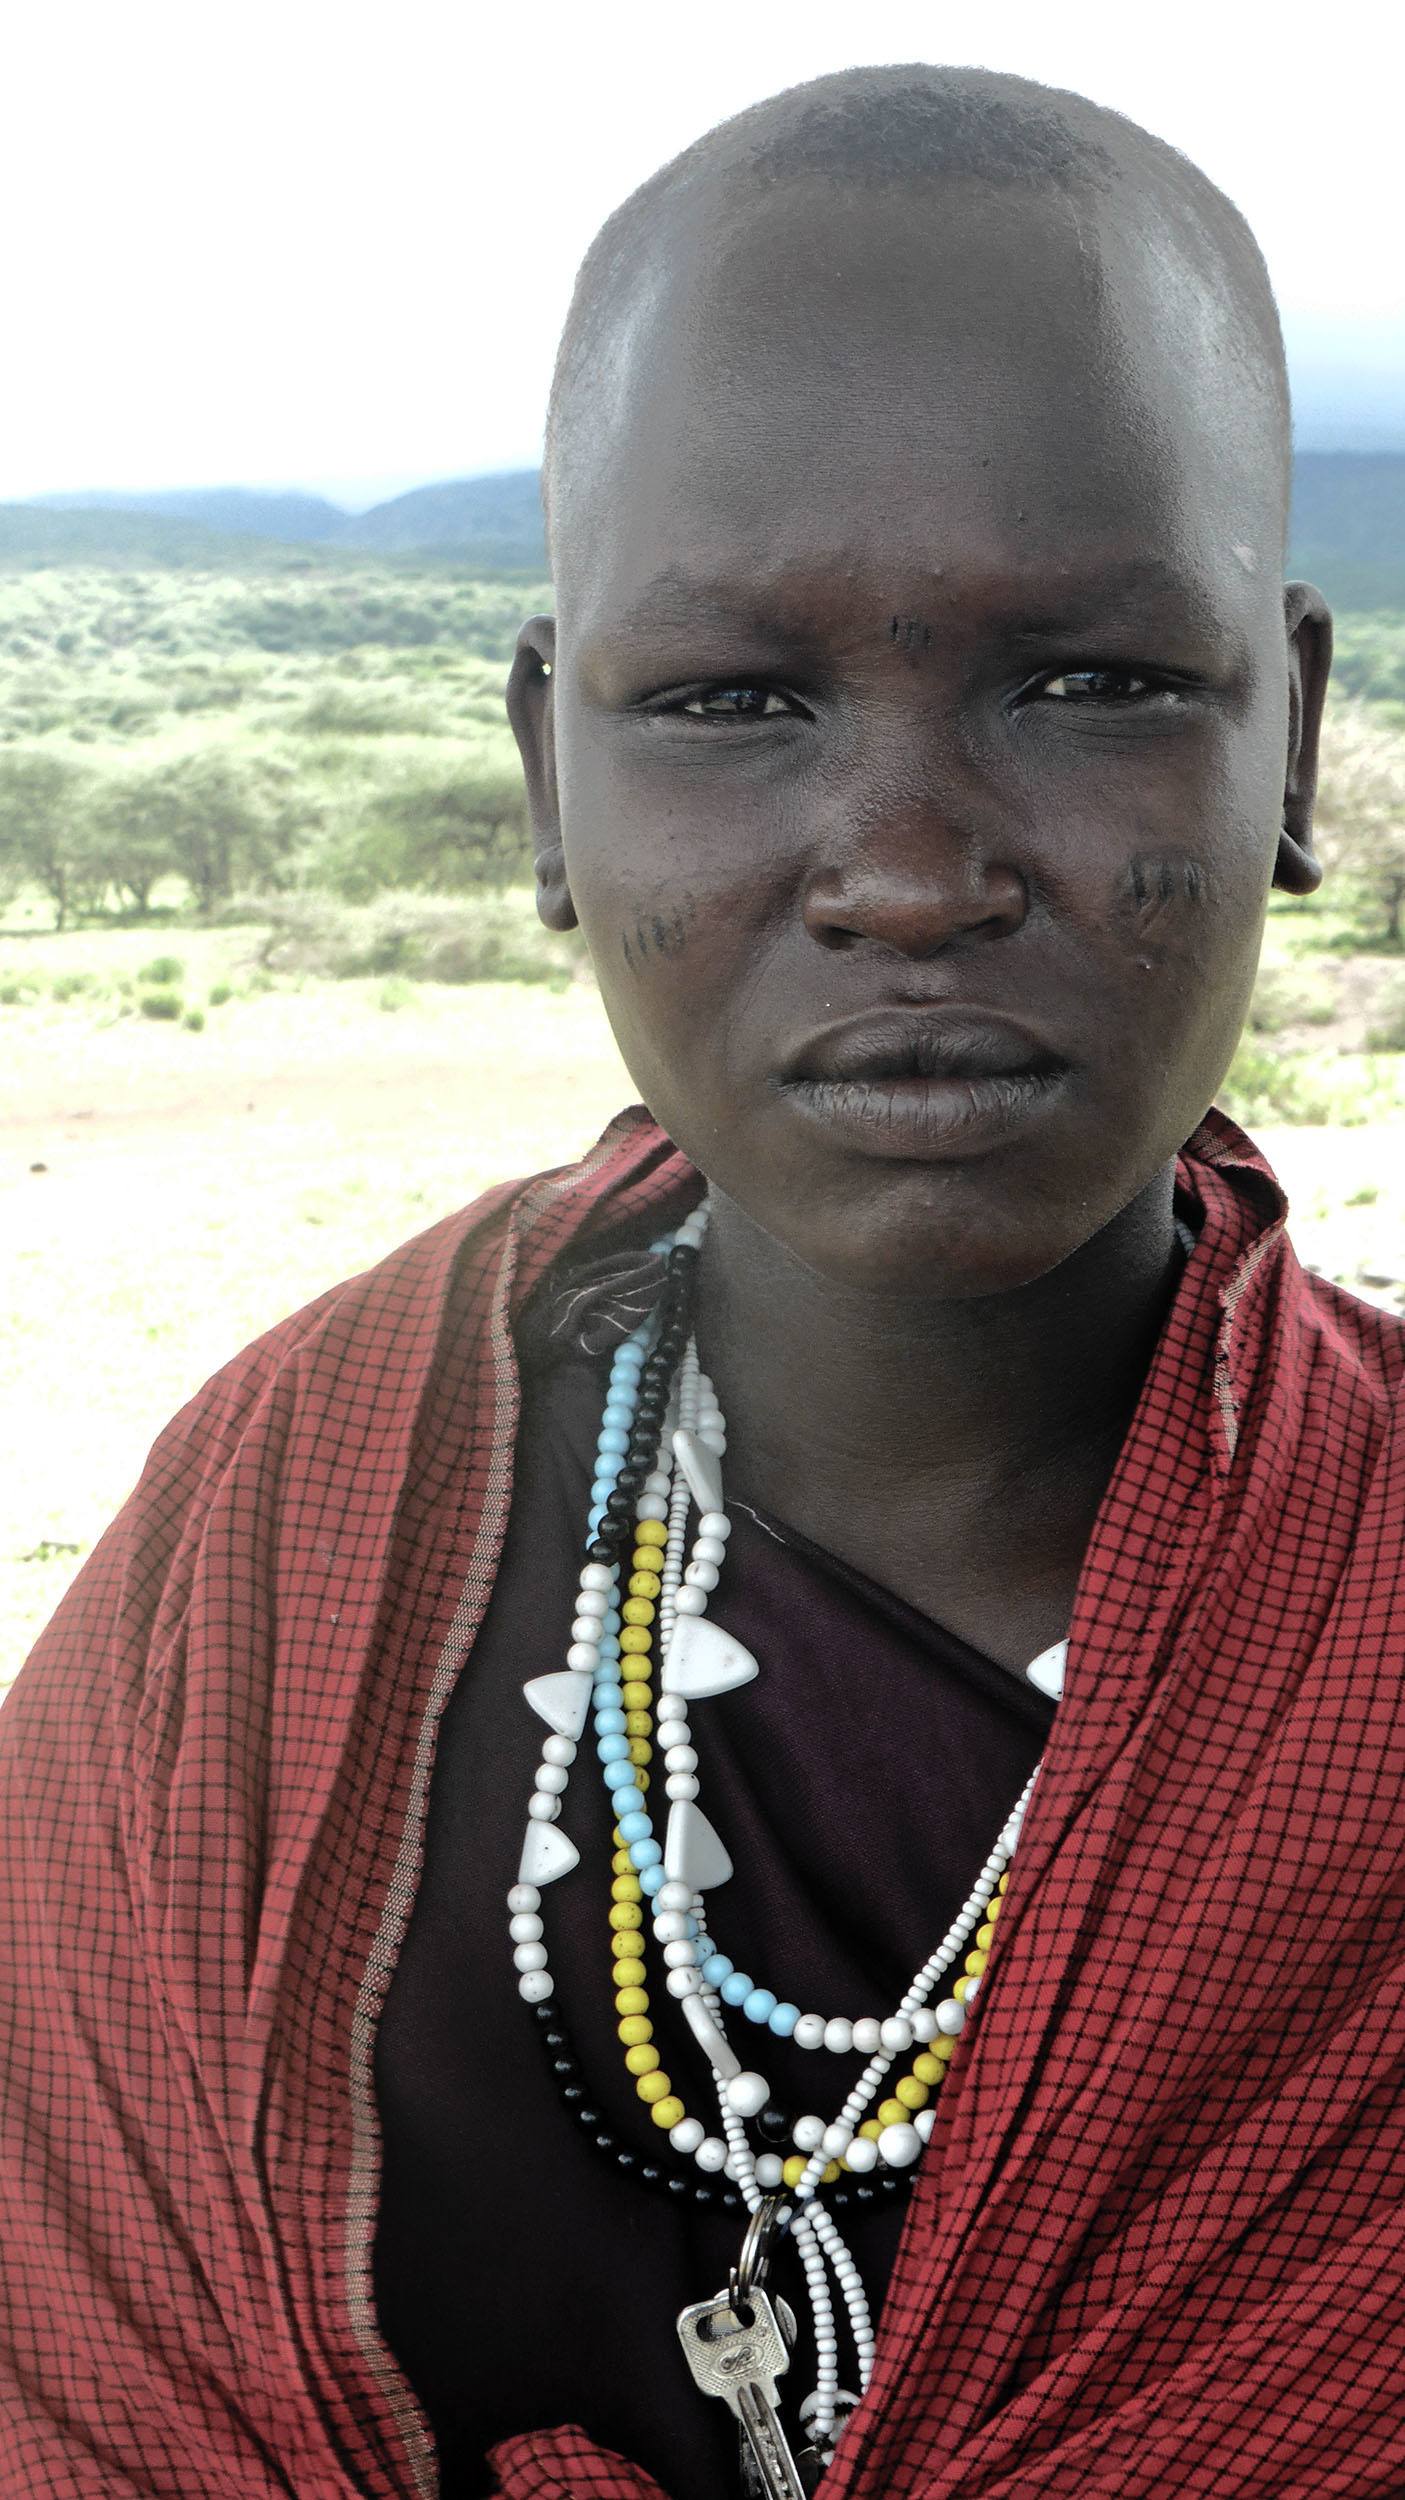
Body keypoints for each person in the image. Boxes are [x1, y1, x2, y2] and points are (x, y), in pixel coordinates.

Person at [2, 58, 1403, 2500]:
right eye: (729, 701)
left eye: (1090, 681)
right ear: (555, 777)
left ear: (1289, 737)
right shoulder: (282, 1535)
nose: (903, 864)